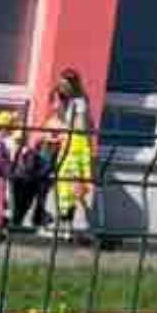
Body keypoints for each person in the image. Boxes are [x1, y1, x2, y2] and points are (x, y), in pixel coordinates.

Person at [51, 69, 95, 236]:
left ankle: (67, 226)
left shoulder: (79, 102)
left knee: (71, 186)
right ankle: (64, 225)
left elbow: (82, 127)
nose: (61, 86)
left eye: (65, 83)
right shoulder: (68, 101)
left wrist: (66, 125)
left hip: (76, 146)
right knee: (64, 186)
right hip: (68, 144)